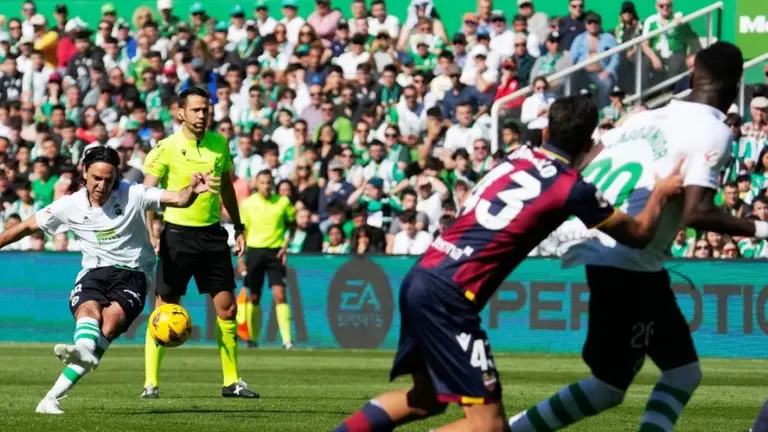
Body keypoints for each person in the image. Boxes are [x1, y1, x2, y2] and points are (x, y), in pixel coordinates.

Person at [335, 95, 685, 432]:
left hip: (424, 275)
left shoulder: (518, 155)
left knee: (425, 399)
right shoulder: (571, 188)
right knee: (489, 427)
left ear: (546, 132)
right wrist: (661, 192)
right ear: (589, 143)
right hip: (451, 296)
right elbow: (638, 234)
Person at [509, 42, 768, 432]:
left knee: (682, 372)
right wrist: (762, 229)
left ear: (693, 73)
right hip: (628, 262)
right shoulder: (714, 129)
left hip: (619, 253)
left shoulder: (643, 117)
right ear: (736, 86)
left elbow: (589, 164)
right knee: (607, 387)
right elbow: (698, 212)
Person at [0, 146, 217, 414]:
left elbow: (179, 199)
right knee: (88, 311)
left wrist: (191, 190)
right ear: (85, 173)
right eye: (97, 178)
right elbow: (25, 227)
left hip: (135, 272)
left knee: (111, 325)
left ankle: (56, 389)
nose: (103, 185)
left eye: (109, 179)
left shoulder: (133, 193)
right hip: (94, 270)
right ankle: (56, 392)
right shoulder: (69, 205)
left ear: (116, 176)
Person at [141, 87, 258, 399]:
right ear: (181, 113)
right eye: (196, 110)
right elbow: (145, 196)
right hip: (176, 237)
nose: (202, 115)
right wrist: (152, 233)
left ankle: (231, 381)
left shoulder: (220, 144)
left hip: (212, 236)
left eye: (206, 109)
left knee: (228, 308)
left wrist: (238, 225)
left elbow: (228, 190)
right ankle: (150, 382)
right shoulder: (165, 148)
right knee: (164, 309)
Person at [239, 169, 296, 349]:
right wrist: (241, 257)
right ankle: (253, 339)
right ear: (256, 183)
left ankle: (287, 340)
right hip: (254, 251)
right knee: (254, 296)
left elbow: (293, 224)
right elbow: (242, 231)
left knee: (280, 294)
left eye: (269, 182)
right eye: (262, 182)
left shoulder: (283, 202)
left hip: (275, 252)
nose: (266, 186)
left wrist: (286, 244)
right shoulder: (247, 204)